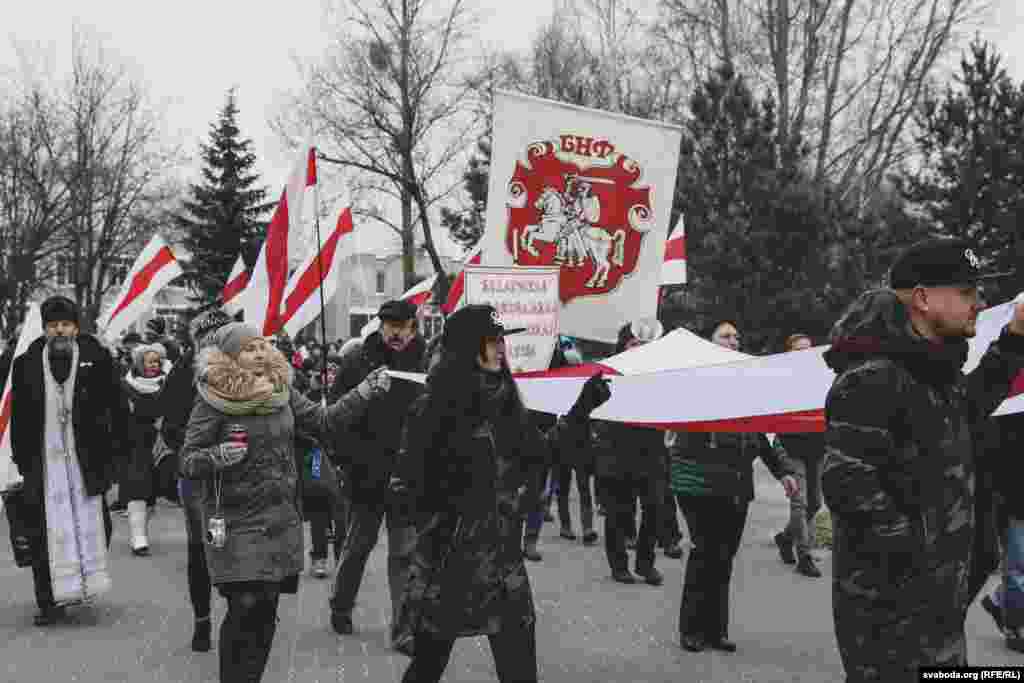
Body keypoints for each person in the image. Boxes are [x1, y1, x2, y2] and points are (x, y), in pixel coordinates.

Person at [822, 237, 1024, 681]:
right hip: (892, 622)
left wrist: (1013, 339)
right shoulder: (875, 376)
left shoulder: (931, 369)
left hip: (937, 613)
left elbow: (966, 411)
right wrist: (915, 556)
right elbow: (846, 482)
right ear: (923, 299)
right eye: (968, 292)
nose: (979, 302)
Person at [390, 304, 611, 682]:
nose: (500, 349)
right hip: (447, 565)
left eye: (500, 341)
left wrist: (581, 408)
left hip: (503, 564)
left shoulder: (506, 400)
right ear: (466, 348)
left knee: (520, 672)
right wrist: (443, 507)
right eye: (491, 342)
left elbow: (542, 452)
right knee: (427, 667)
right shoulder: (432, 408)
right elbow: (405, 486)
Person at [180, 322, 392, 683]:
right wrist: (217, 455)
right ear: (230, 357)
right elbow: (188, 459)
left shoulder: (282, 392)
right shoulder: (213, 399)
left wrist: (363, 391)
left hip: (279, 517)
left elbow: (324, 422)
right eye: (249, 348)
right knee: (244, 604)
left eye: (262, 345)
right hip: (235, 519)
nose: (260, 352)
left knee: (266, 607)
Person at [668, 319, 798, 654]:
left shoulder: (747, 383)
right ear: (708, 342)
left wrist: (782, 470)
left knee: (724, 558)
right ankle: (691, 630)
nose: (734, 341)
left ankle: (716, 630)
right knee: (705, 553)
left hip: (735, 486)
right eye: (725, 336)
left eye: (737, 337)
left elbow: (763, 433)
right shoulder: (692, 378)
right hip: (697, 483)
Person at [10, 296, 126, 626]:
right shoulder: (26, 362)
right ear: (45, 328)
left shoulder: (98, 358)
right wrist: (22, 460)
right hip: (42, 465)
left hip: (86, 462)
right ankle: (48, 603)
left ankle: (81, 585)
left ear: (76, 327)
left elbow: (117, 409)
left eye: (65, 324)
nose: (59, 331)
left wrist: (114, 460)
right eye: (52, 325)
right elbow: (18, 416)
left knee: (94, 527)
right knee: (41, 534)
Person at [327, 299, 426, 638]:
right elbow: (336, 413)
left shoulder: (426, 365)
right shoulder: (357, 361)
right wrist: (346, 459)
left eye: (404, 326)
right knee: (358, 545)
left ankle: (403, 628)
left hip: (409, 475)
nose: (397, 332)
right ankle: (340, 605)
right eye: (391, 326)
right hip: (366, 473)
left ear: (414, 327)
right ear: (381, 326)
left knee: (404, 555)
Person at [160, 307, 233, 652]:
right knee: (201, 549)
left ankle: (238, 615)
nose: (216, 343)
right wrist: (197, 452)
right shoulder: (183, 373)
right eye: (208, 336)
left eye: (222, 335)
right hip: (197, 481)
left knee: (232, 547)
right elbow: (170, 427)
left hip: (237, 478)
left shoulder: (245, 369)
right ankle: (202, 621)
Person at [593, 318, 670, 585]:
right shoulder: (606, 374)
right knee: (618, 513)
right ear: (624, 345)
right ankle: (618, 565)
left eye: (646, 344)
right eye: (634, 343)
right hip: (616, 454)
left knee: (655, 510)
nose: (639, 348)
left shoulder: (662, 375)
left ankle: (646, 564)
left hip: (652, 454)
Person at [773, 333, 826, 578]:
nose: (805, 353)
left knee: (815, 503)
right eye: (798, 350)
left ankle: (785, 538)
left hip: (816, 450)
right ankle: (804, 556)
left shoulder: (821, 377)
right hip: (790, 447)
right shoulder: (783, 379)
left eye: (808, 348)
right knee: (800, 502)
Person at [121, 342, 170, 556]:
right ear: (139, 363)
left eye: (157, 361)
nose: (154, 365)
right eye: (149, 361)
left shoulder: (167, 384)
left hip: (161, 443)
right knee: (137, 486)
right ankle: (137, 537)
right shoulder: (126, 384)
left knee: (152, 492)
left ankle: (141, 529)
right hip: (134, 442)